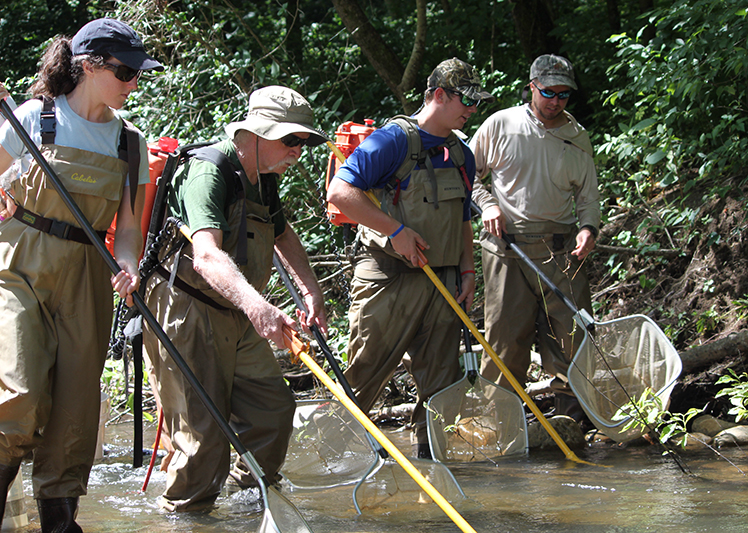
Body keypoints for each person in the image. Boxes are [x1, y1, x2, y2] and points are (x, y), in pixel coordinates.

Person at [0, 18, 162, 532]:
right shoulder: (30, 116)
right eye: (125, 72)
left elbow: (130, 227)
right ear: (89, 67)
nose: (133, 83)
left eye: (138, 74)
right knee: (19, 395)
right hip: (19, 265)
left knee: (74, 417)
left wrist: (131, 265)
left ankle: (59, 518)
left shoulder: (129, 143)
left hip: (88, 277)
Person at [141, 86, 328, 511]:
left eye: (304, 141)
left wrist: (311, 290)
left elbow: (281, 235)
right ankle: (185, 514)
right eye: (291, 139)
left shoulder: (265, 179)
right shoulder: (209, 173)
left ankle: (247, 506)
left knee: (272, 414)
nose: (299, 150)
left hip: (237, 312)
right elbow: (206, 256)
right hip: (188, 309)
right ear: (257, 133)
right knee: (203, 441)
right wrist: (258, 306)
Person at [327, 58, 494, 459]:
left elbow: (461, 216)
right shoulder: (391, 140)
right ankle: (325, 462)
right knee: (365, 373)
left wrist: (468, 270)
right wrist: (396, 231)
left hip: (444, 282)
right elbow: (340, 193)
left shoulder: (462, 154)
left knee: (442, 381)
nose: (472, 110)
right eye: (466, 101)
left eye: (476, 103)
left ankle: (435, 463)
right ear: (439, 95)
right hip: (388, 277)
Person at [470, 54, 601, 420]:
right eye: (548, 92)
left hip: (561, 251)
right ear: (531, 87)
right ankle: (501, 424)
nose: (556, 101)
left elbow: (588, 199)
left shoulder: (577, 138)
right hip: (505, 248)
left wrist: (588, 229)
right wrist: (487, 205)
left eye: (563, 94)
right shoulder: (501, 124)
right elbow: (466, 177)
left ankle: (572, 424)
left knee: (573, 337)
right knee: (505, 340)